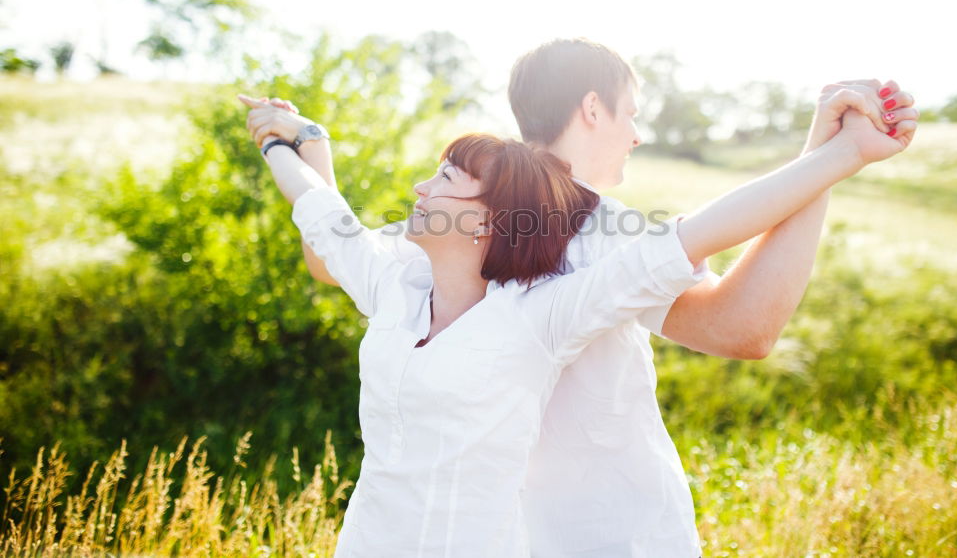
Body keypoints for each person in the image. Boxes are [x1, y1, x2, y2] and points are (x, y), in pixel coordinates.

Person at [240, 38, 918, 556]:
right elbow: (745, 329)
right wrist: (825, 159)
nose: (638, 133)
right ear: (594, 107)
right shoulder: (525, 213)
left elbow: (336, 253)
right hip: (590, 533)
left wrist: (303, 148)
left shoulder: (467, 216)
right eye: (633, 112)